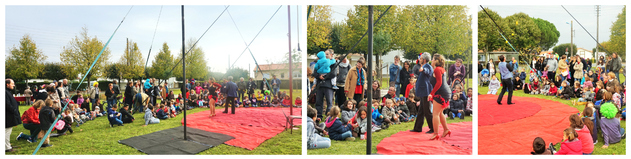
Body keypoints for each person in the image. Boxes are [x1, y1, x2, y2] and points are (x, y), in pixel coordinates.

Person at [428, 54, 452, 140]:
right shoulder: (441, 69)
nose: (431, 61)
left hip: (441, 93)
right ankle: (445, 129)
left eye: (433, 59)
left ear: (436, 61)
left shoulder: (437, 69)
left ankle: (435, 133)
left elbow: (439, 83)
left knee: (435, 114)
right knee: (440, 112)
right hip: (444, 92)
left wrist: (431, 93)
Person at [411, 52, 434, 134]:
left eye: (420, 58)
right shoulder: (424, 66)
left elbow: (428, 71)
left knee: (427, 110)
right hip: (423, 91)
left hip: (426, 91)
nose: (419, 60)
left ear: (424, 60)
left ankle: (432, 128)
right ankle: (418, 127)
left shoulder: (427, 66)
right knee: (421, 110)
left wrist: (423, 69)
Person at [5, 79, 22, 152]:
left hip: (10, 114)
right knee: (7, 131)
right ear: (7, 84)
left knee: (8, 131)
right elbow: (7, 104)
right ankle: (6, 147)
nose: (14, 85)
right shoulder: (4, 92)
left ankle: (7, 145)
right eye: (12, 84)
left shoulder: (7, 92)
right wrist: (13, 110)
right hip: (8, 116)